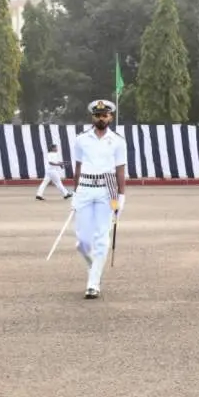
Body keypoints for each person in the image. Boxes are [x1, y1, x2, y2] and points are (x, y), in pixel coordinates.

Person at [70, 100, 127, 299]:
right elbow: (77, 167)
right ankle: (95, 267)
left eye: (105, 115)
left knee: (102, 238)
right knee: (82, 242)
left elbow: (120, 170)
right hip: (85, 189)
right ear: (92, 117)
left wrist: (121, 196)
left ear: (110, 117)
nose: (101, 118)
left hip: (107, 190)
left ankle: (93, 283)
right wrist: (75, 193)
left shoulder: (118, 141)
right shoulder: (81, 139)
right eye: (97, 115)